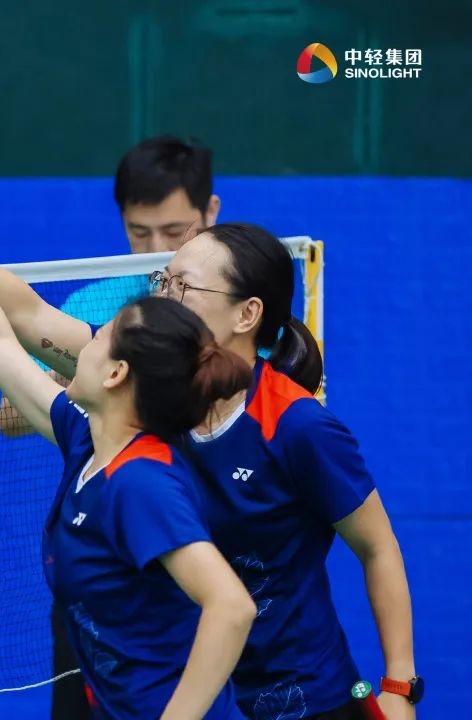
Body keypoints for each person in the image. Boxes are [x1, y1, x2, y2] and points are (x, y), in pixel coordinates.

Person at [0, 162, 256, 719]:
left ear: (116, 374)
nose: (81, 344)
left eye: (98, 341)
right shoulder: (87, 439)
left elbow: (232, 607)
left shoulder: (142, 483)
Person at [154, 223, 418, 720]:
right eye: (163, 282)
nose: (165, 299)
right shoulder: (157, 401)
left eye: (183, 286)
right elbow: (29, 324)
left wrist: (399, 685)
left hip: (303, 699)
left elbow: (378, 547)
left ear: (246, 314)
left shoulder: (299, 427)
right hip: (200, 694)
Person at [0, 134, 221, 439]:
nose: (156, 249)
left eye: (174, 231)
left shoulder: (237, 302)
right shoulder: (91, 302)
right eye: (139, 232)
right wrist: (99, 363)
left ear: (210, 211)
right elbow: (8, 417)